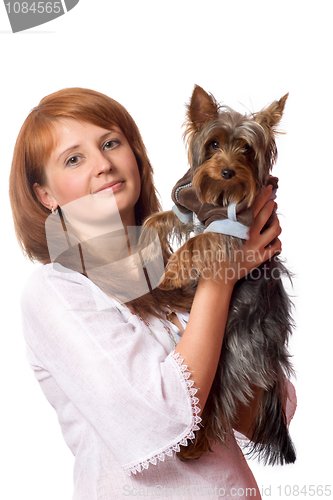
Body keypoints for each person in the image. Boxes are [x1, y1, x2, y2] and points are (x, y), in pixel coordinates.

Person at [9, 88, 296, 500]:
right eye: (74, 159)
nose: (103, 164)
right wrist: (222, 275)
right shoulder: (55, 292)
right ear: (46, 196)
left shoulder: (176, 275)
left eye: (111, 143)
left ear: (136, 157)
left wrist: (252, 288)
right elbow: (161, 418)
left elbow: (264, 422)